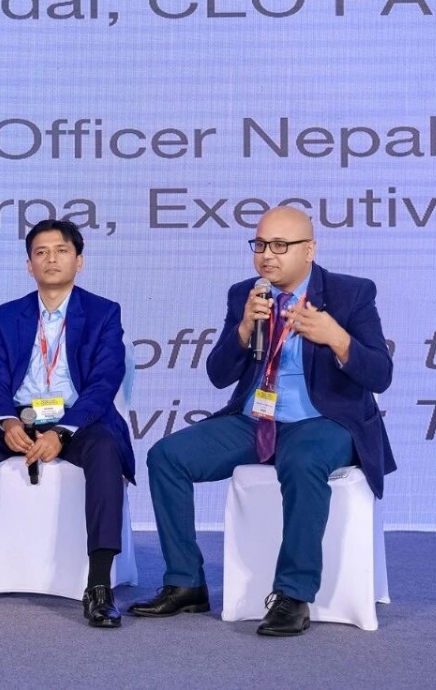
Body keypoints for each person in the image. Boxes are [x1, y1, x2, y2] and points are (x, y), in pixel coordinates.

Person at [130, 206, 393, 636]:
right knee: (166, 457)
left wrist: (336, 337)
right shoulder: (247, 294)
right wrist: (242, 330)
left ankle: (293, 595)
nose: (267, 255)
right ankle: (185, 581)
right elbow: (219, 375)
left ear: (309, 250)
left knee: (302, 462)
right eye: (260, 244)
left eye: (280, 245)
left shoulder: (351, 294)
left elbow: (380, 374)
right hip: (257, 420)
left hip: (325, 421)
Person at [0, 219, 134, 628]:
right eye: (41, 252)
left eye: (61, 251)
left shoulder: (104, 312)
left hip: (77, 421)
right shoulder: (8, 315)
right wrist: (6, 421)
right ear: (29, 265)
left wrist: (62, 431)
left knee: (106, 450)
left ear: (79, 260)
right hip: (21, 417)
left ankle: (98, 585)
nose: (51, 259)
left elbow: (104, 382)